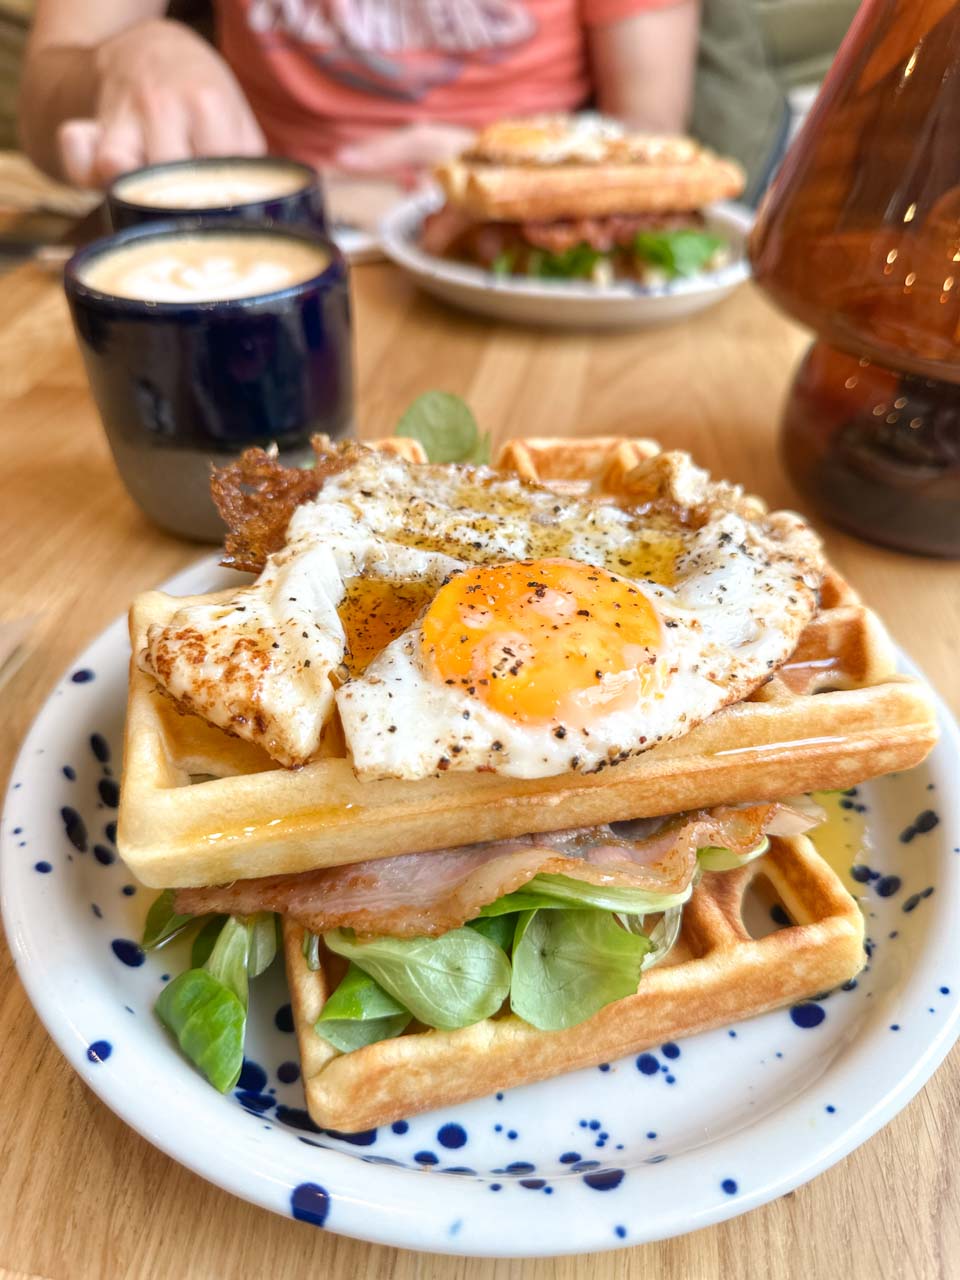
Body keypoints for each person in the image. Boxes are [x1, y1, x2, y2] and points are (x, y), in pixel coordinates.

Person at [19, 0, 700, 194]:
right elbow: (42, 102)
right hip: (266, 237)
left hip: (518, 250)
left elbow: (652, 131)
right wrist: (130, 52)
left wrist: (500, 175)